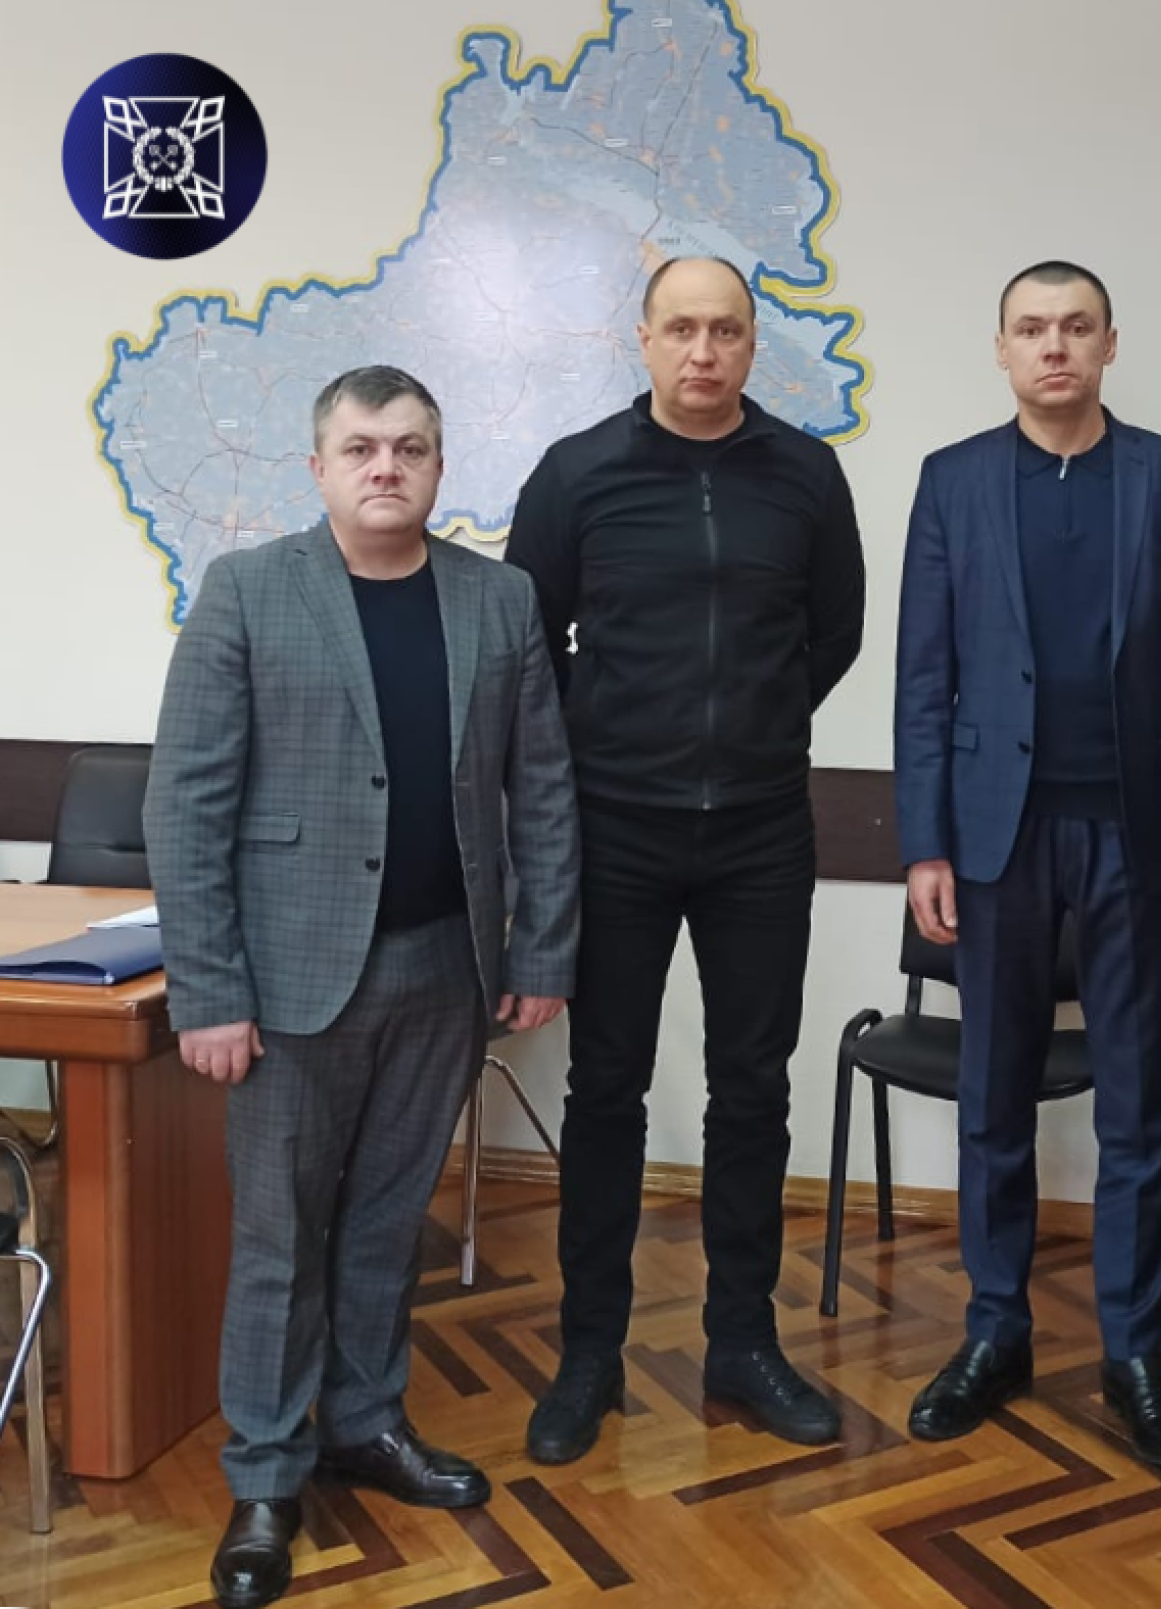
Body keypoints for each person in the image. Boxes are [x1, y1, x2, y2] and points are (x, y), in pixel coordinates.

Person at [145, 365, 580, 1609]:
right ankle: (266, 1474)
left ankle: (366, 1421)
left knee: (391, 1219)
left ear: (440, 465)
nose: (386, 466)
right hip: (287, 981)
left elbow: (542, 789)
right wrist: (208, 991)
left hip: (447, 965)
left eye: (411, 447)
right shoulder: (248, 590)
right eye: (361, 447)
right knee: (282, 1236)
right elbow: (187, 803)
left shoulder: (499, 599)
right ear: (320, 467)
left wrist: (543, 950)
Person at [505, 256, 865, 1460]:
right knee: (605, 1089)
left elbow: (834, 632)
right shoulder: (578, 474)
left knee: (752, 1088)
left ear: (754, 343)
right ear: (644, 339)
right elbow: (527, 641)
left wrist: (752, 723)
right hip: (616, 827)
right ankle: (588, 1355)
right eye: (682, 329)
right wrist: (613, 732)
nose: (703, 351)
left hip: (761, 829)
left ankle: (743, 1342)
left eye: (726, 330)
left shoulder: (805, 474)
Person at [893, 260, 1161, 1471]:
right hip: (996, 840)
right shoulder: (952, 481)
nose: (1055, 346)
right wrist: (925, 841)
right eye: (1032, 328)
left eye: (1076, 327)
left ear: (1109, 345)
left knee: (1136, 1105)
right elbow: (925, 682)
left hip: (1139, 840)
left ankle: (1133, 1354)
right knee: (992, 1097)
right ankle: (995, 1331)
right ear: (1001, 350)